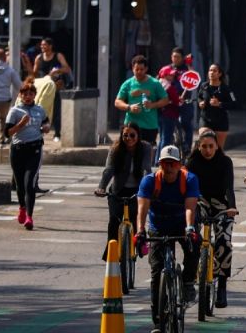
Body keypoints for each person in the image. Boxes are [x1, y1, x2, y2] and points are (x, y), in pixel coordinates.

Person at [136, 145, 202, 318]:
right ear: (159, 164)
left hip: (182, 224)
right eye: (165, 163)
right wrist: (140, 231)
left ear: (180, 164)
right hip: (158, 225)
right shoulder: (149, 181)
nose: (169, 167)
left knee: (195, 245)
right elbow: (142, 209)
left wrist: (189, 228)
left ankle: (188, 281)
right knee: (156, 270)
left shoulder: (189, 179)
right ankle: (157, 316)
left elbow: (190, 208)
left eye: (173, 163)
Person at [185, 129, 238, 308]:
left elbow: (229, 188)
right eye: (204, 147)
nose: (207, 150)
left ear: (217, 146)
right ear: (198, 147)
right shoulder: (192, 162)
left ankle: (221, 286)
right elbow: (187, 190)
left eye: (211, 146)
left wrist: (232, 207)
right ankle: (191, 275)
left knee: (224, 242)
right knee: (191, 236)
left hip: (222, 205)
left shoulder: (225, 162)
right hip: (200, 202)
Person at [95, 123, 152, 258]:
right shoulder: (116, 148)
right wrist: (101, 187)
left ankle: (139, 245)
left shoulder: (145, 148)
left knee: (136, 220)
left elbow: (146, 169)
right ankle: (111, 254)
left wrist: (147, 187)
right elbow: (109, 170)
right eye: (125, 135)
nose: (129, 138)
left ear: (138, 136)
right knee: (114, 222)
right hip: (118, 190)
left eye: (132, 135)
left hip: (137, 191)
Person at [6, 79, 50, 229]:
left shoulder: (39, 110)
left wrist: (46, 127)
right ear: (21, 95)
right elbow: (7, 132)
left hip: (34, 149)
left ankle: (29, 217)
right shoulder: (15, 111)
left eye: (31, 94)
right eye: (25, 94)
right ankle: (22, 208)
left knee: (29, 183)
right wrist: (20, 124)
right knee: (20, 185)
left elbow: (46, 122)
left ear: (34, 95)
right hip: (18, 150)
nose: (28, 97)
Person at [115, 55, 169, 169]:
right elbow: (117, 102)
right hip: (130, 126)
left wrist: (152, 105)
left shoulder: (154, 83)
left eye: (141, 69)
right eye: (136, 69)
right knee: (128, 153)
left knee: (146, 154)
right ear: (132, 68)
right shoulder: (128, 84)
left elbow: (165, 100)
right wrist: (129, 107)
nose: (139, 72)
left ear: (146, 69)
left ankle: (146, 174)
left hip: (149, 125)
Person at [157, 47, 194, 154]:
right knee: (165, 133)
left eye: (178, 57)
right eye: (174, 57)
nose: (175, 59)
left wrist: (189, 65)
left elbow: (194, 79)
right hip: (169, 104)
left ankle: (187, 146)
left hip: (185, 102)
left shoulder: (187, 69)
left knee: (186, 123)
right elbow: (158, 81)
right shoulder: (167, 69)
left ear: (182, 58)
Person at [197, 64, 236, 150]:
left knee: (218, 150)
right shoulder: (204, 86)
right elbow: (199, 97)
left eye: (214, 71)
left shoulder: (226, 89)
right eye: (210, 70)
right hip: (206, 119)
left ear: (219, 74)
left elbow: (234, 103)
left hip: (221, 121)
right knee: (204, 143)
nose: (211, 73)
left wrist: (220, 104)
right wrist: (200, 103)